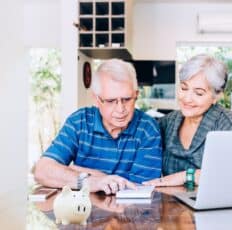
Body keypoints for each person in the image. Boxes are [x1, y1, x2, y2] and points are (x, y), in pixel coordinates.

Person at [34, 59, 162, 194]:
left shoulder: (148, 129)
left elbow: (137, 190)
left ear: (136, 95)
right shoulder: (79, 122)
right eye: (111, 101)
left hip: (127, 213)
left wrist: (76, 170)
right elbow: (42, 171)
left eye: (126, 99)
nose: (120, 109)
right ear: (96, 99)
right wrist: (91, 182)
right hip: (81, 213)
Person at [144, 54, 232, 187]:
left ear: (216, 96)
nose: (187, 98)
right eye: (184, 88)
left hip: (216, 206)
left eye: (198, 93)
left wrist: (188, 176)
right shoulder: (167, 123)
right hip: (171, 204)